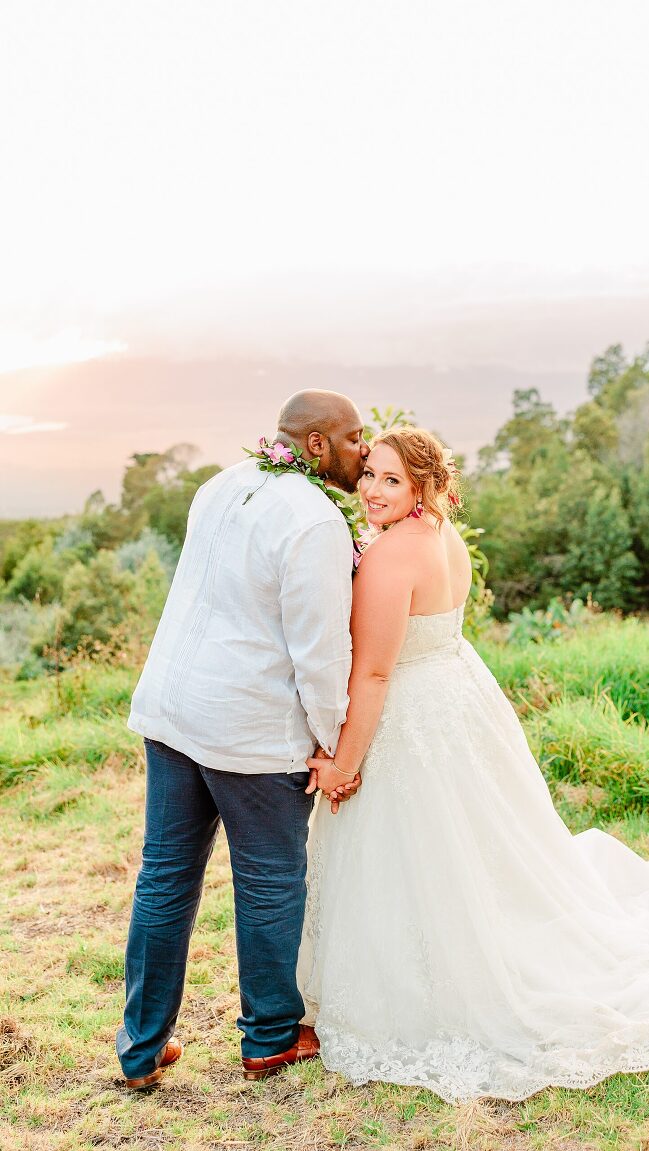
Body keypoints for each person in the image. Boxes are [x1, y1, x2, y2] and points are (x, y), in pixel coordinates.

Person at [298, 424, 649, 1104]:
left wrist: (343, 763)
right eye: (369, 472)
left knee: (424, 853)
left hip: (414, 715)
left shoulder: (389, 558)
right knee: (475, 850)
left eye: (391, 479)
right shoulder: (441, 536)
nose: (371, 488)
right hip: (457, 696)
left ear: (425, 487)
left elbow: (371, 674)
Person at [116, 390, 368, 1089]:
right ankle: (268, 1040)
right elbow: (319, 653)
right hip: (250, 727)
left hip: (173, 708)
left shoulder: (220, 484)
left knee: (164, 878)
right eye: (353, 438)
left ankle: (140, 1048)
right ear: (316, 445)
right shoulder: (316, 521)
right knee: (269, 881)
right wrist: (333, 743)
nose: (365, 450)